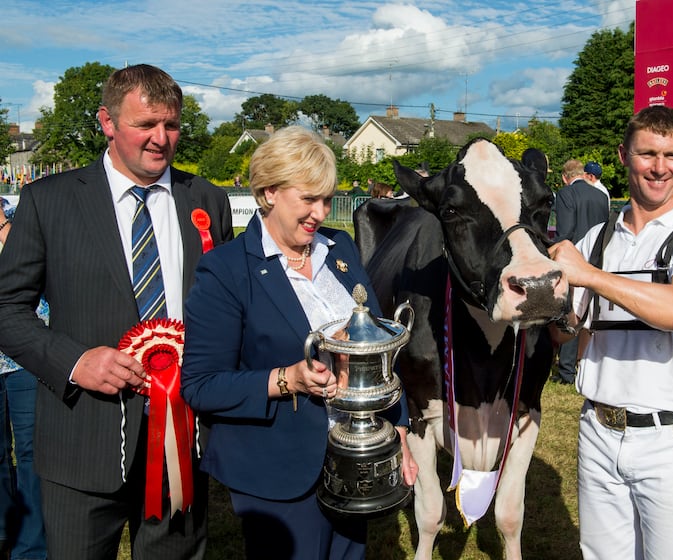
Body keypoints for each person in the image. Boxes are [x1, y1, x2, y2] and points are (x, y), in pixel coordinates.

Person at [0, 64, 233, 560]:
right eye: (144, 125)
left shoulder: (207, 200)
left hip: (182, 444)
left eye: (170, 125)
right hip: (81, 440)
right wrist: (73, 361)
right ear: (107, 121)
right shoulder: (49, 201)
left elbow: (228, 309)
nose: (160, 139)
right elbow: (5, 309)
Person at [180, 126, 418, 560]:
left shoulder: (340, 248)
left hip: (354, 460)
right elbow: (201, 384)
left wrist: (398, 431)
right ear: (269, 191)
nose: (320, 212)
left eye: (327, 199)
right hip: (279, 472)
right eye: (308, 198)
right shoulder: (226, 270)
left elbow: (378, 347)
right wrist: (287, 379)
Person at [549, 105, 673, 559]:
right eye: (647, 153)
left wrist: (590, 277)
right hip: (597, 427)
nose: (659, 167)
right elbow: (562, 336)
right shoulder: (598, 237)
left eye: (671, 155)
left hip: (669, 440)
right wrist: (552, 303)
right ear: (623, 156)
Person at [0, 209, 47, 560]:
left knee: (32, 452)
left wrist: (3, 226)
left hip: (24, 353)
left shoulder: (19, 217)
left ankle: (31, 548)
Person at [551, 159, 609, 384]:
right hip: (598, 258)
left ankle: (566, 371)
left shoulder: (566, 194)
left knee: (571, 313)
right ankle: (586, 361)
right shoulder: (601, 196)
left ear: (566, 177)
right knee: (593, 313)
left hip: (575, 258)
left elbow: (565, 232)